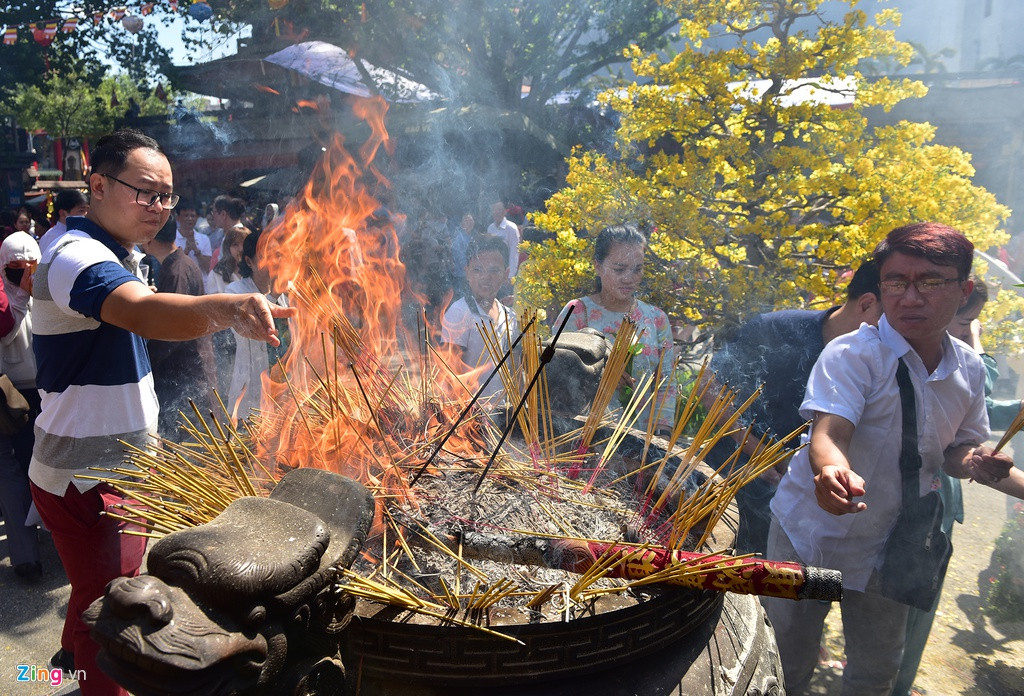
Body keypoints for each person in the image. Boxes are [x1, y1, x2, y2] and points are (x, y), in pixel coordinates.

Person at [29, 128, 293, 696]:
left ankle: (59, 677)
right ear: (97, 184)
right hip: (88, 477)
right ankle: (87, 685)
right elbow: (144, 312)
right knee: (118, 615)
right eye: (145, 192)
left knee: (94, 599)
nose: (158, 207)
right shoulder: (76, 256)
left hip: (114, 468)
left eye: (167, 196)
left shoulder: (117, 253)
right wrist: (227, 308)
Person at [763, 222, 1024, 696]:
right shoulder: (852, 353)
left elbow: (954, 450)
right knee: (788, 661)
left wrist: (974, 462)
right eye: (896, 282)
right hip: (814, 536)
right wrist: (830, 470)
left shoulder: (965, 368)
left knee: (874, 673)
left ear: (963, 290)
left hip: (890, 546)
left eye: (929, 282)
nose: (910, 297)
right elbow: (829, 431)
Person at [893, 278, 1023, 696]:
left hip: (935, 508)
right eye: (962, 322)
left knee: (918, 604)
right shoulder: (892, 354)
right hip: (887, 502)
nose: (967, 332)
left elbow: (977, 415)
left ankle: (896, 683)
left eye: (973, 323)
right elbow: (978, 383)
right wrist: (979, 342)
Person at [701, 260, 881, 554]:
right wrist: (761, 454)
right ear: (867, 303)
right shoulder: (777, 328)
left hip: (798, 510)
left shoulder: (879, 363)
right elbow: (708, 387)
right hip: (725, 476)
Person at [554, 223, 676, 435]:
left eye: (637, 269)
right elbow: (553, 371)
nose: (629, 278)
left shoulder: (656, 319)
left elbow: (666, 383)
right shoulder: (577, 312)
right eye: (619, 269)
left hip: (640, 440)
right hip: (582, 435)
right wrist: (599, 374)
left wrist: (662, 433)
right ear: (598, 266)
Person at [143, 217, 216, 440]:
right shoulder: (178, 264)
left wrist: (146, 362)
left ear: (150, 237)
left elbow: (171, 330)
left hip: (181, 371)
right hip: (186, 367)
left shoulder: (177, 270)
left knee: (183, 445)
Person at [0, 232, 42, 582]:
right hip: (9, 396)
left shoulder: (44, 290)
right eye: (16, 269)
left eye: (32, 267)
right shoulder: (4, 297)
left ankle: (58, 543)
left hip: (45, 393)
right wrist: (19, 299)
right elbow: (7, 333)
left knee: (44, 471)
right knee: (13, 477)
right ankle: (26, 555)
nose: (25, 275)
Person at [441, 235, 519, 403]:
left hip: (501, 413)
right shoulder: (459, 313)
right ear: (467, 272)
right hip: (470, 416)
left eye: (494, 270)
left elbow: (515, 369)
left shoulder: (509, 316)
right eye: (477, 270)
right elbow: (450, 371)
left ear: (506, 274)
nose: (485, 277)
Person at [225, 228, 289, 422]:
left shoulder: (288, 292)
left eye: (278, 255)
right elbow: (249, 330)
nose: (274, 262)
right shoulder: (235, 292)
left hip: (283, 393)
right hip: (249, 394)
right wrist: (274, 296)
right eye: (266, 257)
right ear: (249, 262)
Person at [205, 226, 251, 393]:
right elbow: (212, 307)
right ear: (228, 247)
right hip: (226, 337)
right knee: (230, 383)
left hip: (250, 336)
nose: (239, 249)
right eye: (235, 245)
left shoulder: (253, 271)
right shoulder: (218, 273)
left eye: (243, 244)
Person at [38, 189, 89, 256]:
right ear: (63, 214)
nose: (86, 214)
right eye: (81, 211)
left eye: (88, 210)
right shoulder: (55, 238)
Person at [174, 199, 212, 274]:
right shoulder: (172, 238)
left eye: (193, 216)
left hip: (201, 283)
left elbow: (208, 268)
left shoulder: (204, 239)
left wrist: (196, 250)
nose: (190, 219)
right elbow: (173, 266)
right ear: (177, 217)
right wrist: (186, 250)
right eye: (186, 215)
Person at [486, 200, 520, 280]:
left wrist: (510, 275)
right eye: (494, 210)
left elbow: (514, 253)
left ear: (505, 211)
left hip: (506, 272)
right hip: (492, 272)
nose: (497, 212)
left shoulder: (511, 228)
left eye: (500, 210)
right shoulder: (490, 228)